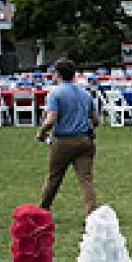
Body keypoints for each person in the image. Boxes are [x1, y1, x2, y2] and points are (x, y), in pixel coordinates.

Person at [36, 58, 99, 214]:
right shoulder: (85, 94)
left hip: (63, 141)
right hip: (85, 140)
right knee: (86, 180)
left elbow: (51, 119)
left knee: (54, 178)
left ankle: (42, 211)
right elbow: (96, 120)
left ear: (57, 74)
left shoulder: (55, 93)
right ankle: (91, 214)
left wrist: (41, 132)